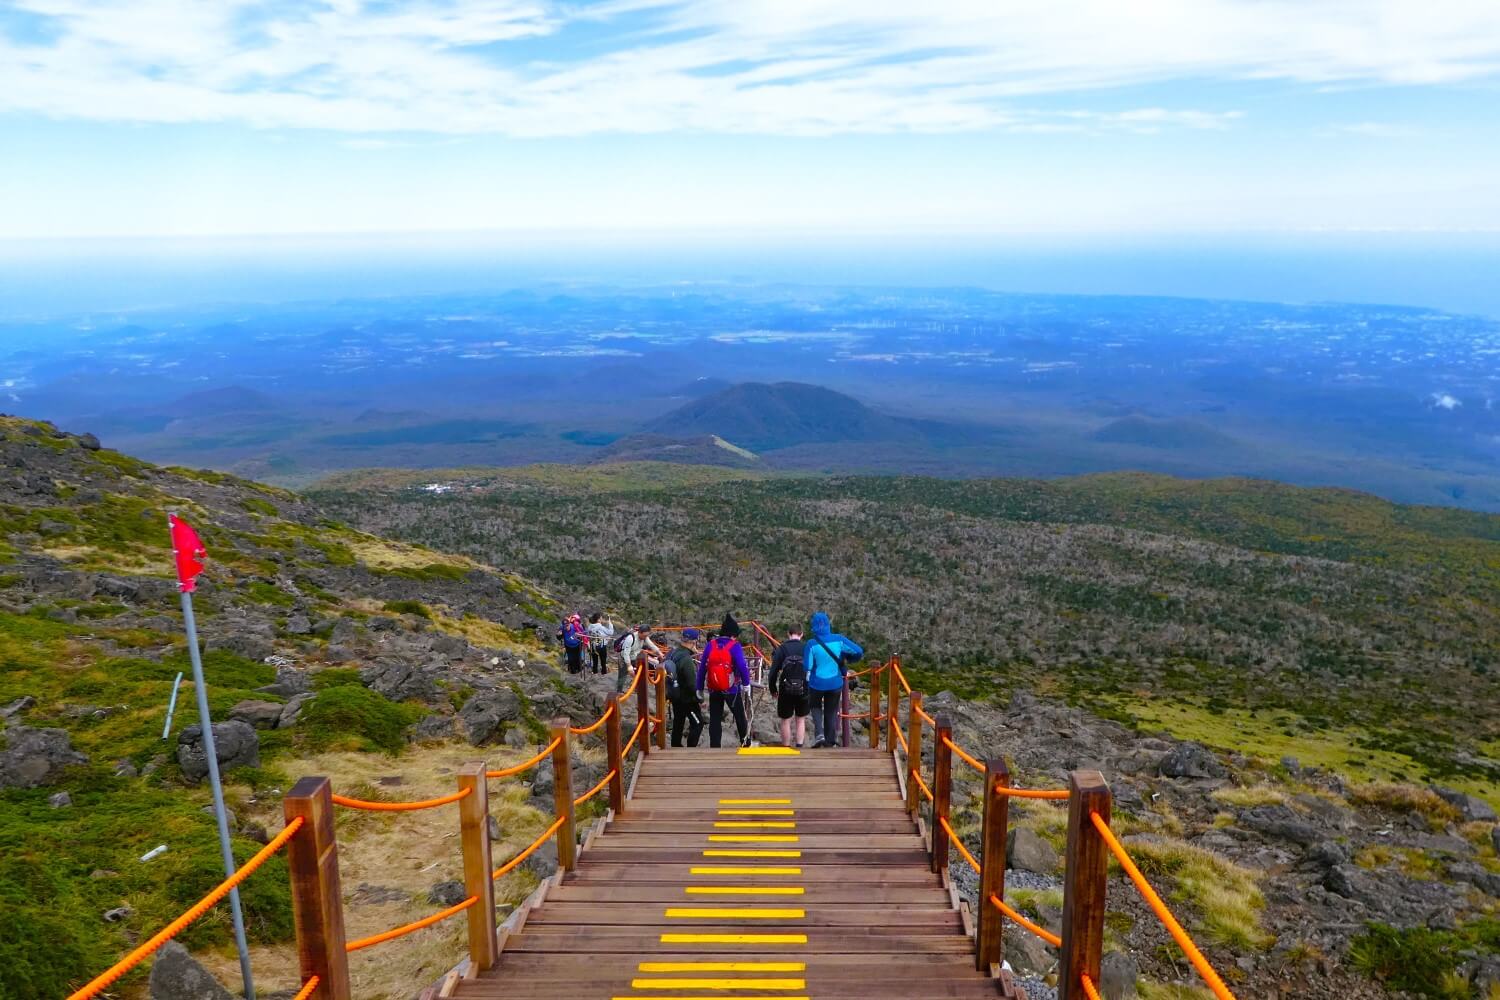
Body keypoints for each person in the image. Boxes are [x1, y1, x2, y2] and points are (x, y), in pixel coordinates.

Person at [805, 611, 863, 748]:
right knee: (831, 711)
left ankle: (819, 734)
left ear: (813, 627)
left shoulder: (811, 644)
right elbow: (858, 651)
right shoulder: (839, 639)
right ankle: (830, 742)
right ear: (828, 625)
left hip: (816, 683)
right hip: (835, 683)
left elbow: (807, 666)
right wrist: (848, 658)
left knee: (814, 706)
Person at [696, 614, 752, 748]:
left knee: (715, 718)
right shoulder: (734, 646)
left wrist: (699, 688)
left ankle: (715, 746)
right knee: (739, 716)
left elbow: (702, 668)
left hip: (714, 687)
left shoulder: (711, 645)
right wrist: (746, 684)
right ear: (733, 634)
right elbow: (742, 666)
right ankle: (745, 743)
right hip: (731, 688)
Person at [767, 626, 810, 749]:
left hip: (785, 689)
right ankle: (799, 746)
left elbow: (773, 672)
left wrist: (773, 689)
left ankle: (786, 747)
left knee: (785, 720)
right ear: (801, 634)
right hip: (804, 688)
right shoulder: (806, 648)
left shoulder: (782, 649)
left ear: (788, 634)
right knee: (800, 720)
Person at [667, 628, 706, 748]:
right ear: (693, 642)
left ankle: (676, 745)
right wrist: (700, 700)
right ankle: (691, 749)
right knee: (698, 723)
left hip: (675, 695)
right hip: (687, 700)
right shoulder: (686, 659)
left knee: (678, 722)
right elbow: (691, 683)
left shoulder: (673, 653)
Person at [616, 623, 661, 694]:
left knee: (640, 672)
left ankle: (637, 688)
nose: (646, 637)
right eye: (645, 635)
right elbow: (626, 654)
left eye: (647, 635)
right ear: (639, 632)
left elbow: (651, 645)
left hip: (635, 657)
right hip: (624, 658)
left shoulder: (644, 637)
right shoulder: (630, 638)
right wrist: (629, 666)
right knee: (622, 675)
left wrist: (659, 653)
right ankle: (619, 691)